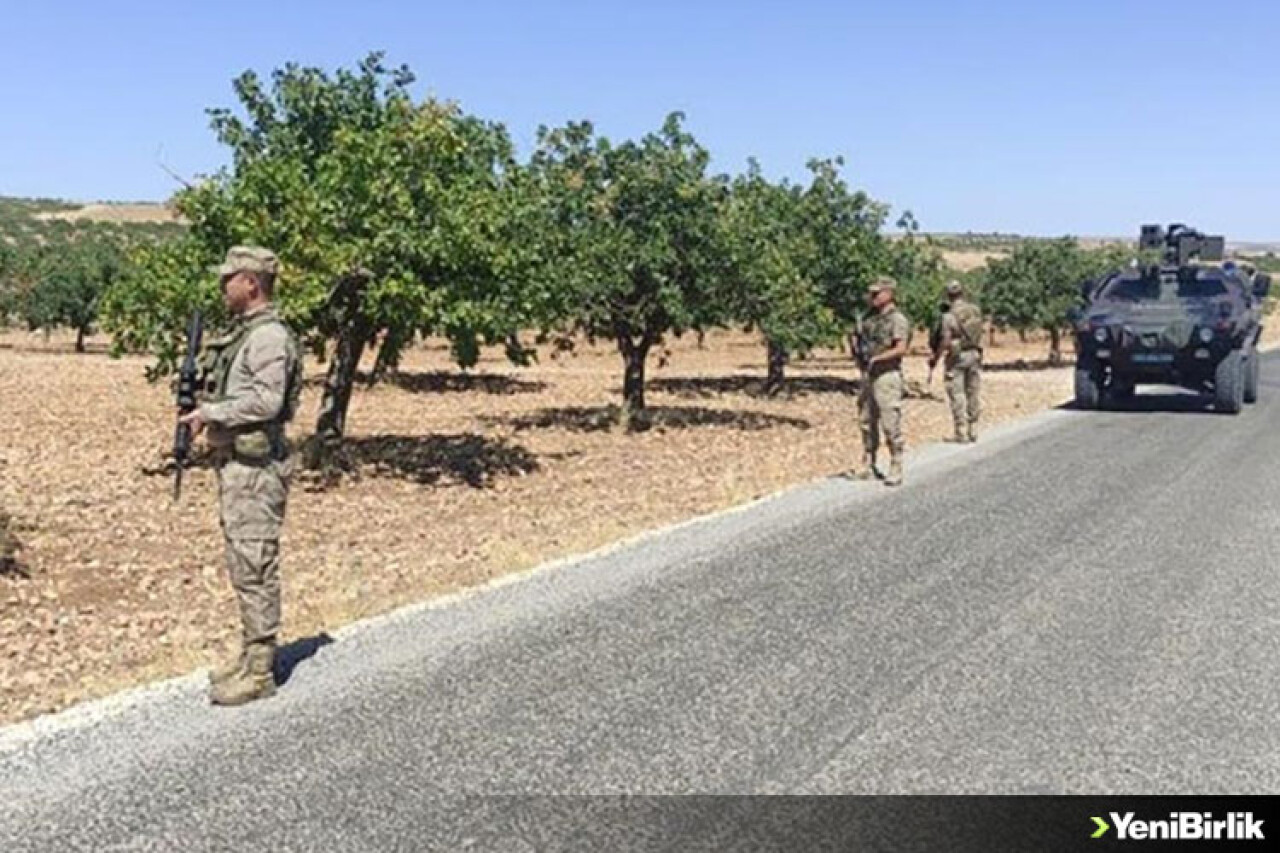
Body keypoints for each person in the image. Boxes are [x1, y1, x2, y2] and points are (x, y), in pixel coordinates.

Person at [178, 246, 301, 706]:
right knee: (242, 561)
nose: (222, 285)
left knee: (255, 563)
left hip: (257, 470)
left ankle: (261, 671)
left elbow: (267, 402)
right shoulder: (247, 334)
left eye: (229, 277)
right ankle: (251, 654)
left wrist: (212, 411)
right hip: (239, 466)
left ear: (251, 282)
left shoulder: (268, 338)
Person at [854, 277, 911, 486]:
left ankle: (896, 464)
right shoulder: (868, 319)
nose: (872, 297)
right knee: (866, 421)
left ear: (889, 294)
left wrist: (878, 358)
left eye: (877, 293)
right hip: (868, 375)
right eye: (871, 293)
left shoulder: (897, 320)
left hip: (887, 375)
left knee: (890, 422)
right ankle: (868, 462)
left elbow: (901, 348)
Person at [929, 280, 984, 443]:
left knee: (957, 393)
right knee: (973, 391)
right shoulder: (975, 310)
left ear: (948, 295)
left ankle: (961, 431)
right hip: (975, 353)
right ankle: (973, 427)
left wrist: (935, 358)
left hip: (957, 357)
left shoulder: (948, 316)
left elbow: (945, 340)